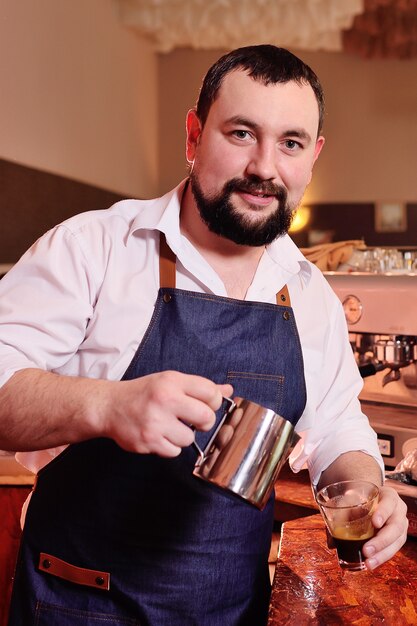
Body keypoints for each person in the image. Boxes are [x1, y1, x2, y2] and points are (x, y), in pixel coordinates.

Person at [0, 45, 407, 626]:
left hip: (228, 611)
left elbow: (338, 429)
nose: (265, 167)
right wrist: (108, 405)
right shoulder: (95, 248)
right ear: (193, 137)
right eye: (241, 133)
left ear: (312, 157)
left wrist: (365, 495)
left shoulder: (310, 294)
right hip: (81, 604)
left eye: (290, 143)